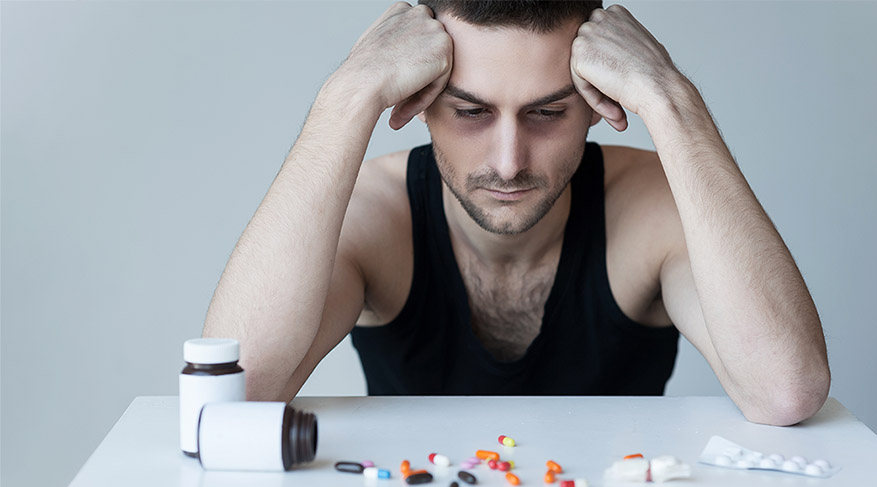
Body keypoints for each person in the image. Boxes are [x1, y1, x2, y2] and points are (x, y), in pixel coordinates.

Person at [201, 1, 830, 426]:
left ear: (597, 104)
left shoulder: (655, 209)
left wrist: (671, 97)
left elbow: (784, 391)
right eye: (470, 112)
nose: (507, 162)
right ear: (418, 101)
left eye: (548, 113)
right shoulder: (371, 215)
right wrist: (346, 97)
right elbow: (236, 393)